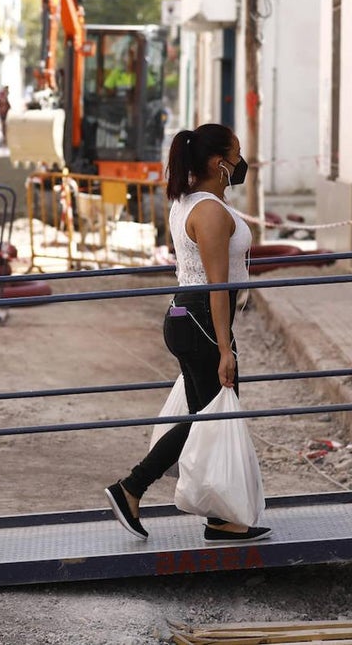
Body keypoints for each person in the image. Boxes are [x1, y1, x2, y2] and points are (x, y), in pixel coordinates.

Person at [103, 123, 271, 543]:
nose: (241, 161)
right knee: (211, 415)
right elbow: (216, 286)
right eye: (236, 154)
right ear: (220, 164)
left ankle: (219, 517)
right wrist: (225, 349)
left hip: (189, 317)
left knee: (209, 416)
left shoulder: (192, 200)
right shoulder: (210, 211)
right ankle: (131, 489)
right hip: (202, 318)